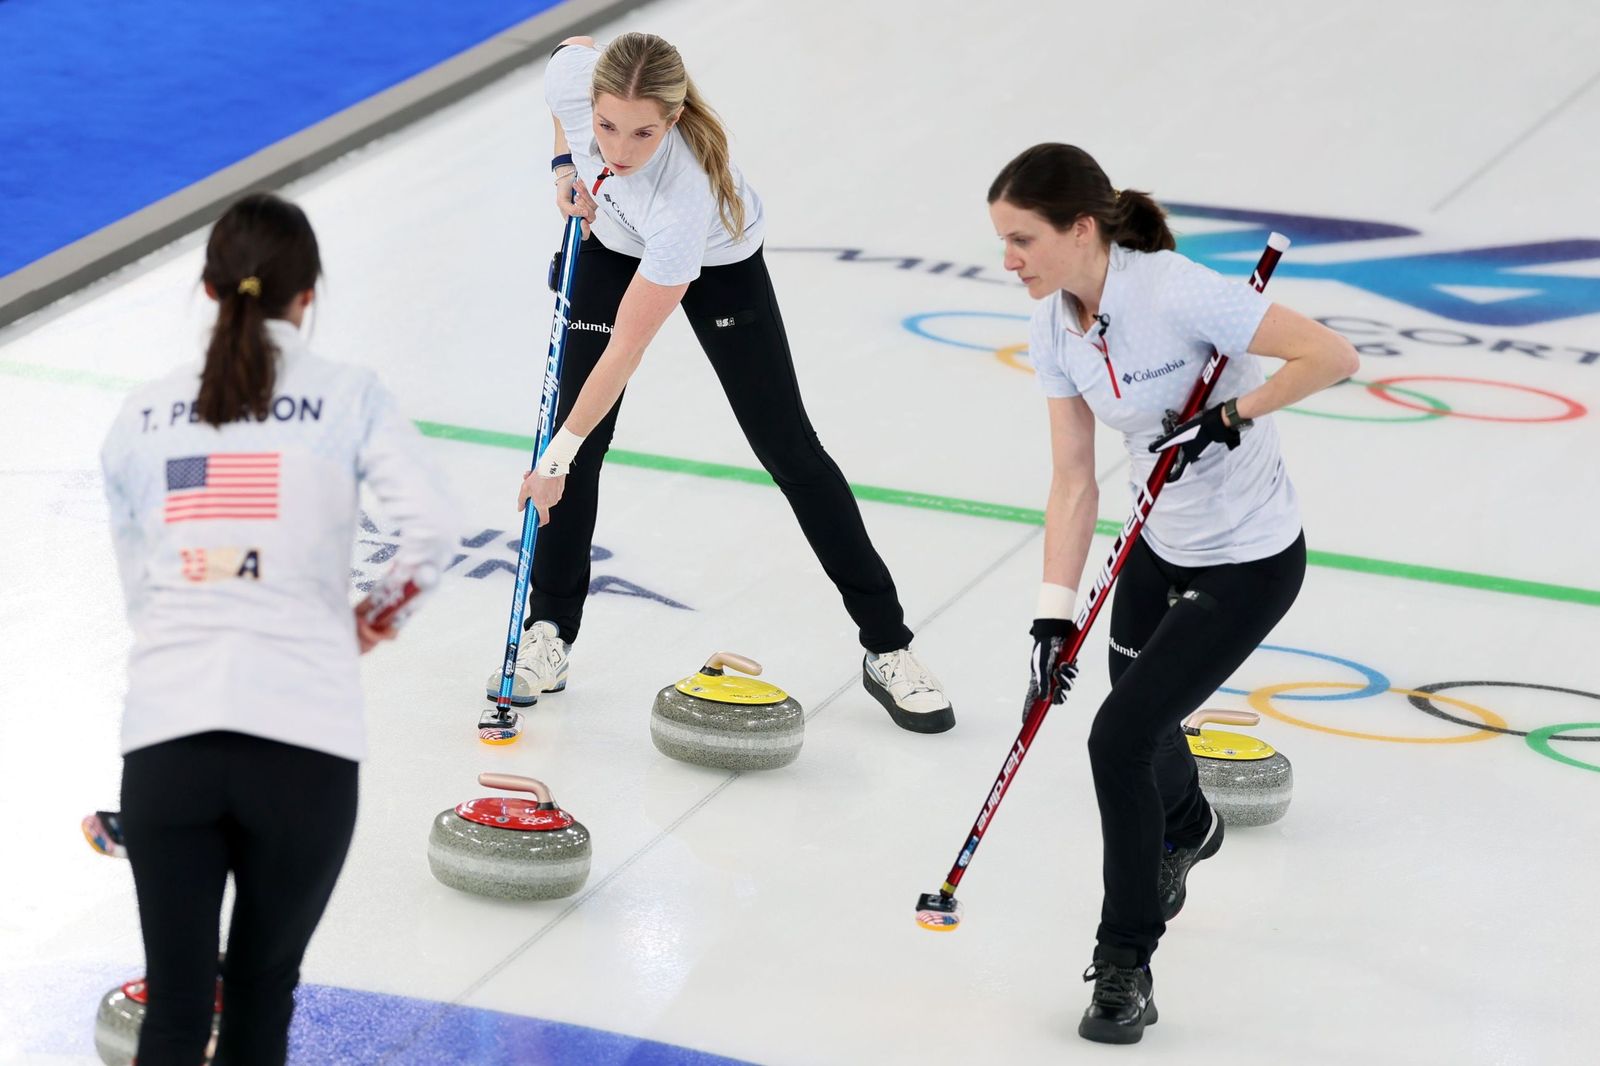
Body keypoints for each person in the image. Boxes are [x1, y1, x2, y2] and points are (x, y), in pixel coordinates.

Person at [987, 144, 1359, 1044]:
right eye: (1002, 240)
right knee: (1139, 725)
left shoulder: (1174, 291)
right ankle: (1189, 823)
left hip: (1249, 563)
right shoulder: (1055, 325)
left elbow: (1331, 356)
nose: (1009, 261)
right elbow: (1074, 478)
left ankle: (1125, 965)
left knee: (1121, 739)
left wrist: (1231, 416)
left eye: (1022, 239)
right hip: (1158, 549)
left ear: (1082, 229)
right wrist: (1052, 609)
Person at [486, 32, 953, 733]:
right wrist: (563, 165)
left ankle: (889, 646)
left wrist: (552, 459)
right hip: (611, 244)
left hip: (717, 264)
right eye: (606, 125)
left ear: (672, 121)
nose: (618, 149)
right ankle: (549, 630)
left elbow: (626, 350)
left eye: (644, 132)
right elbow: (572, 48)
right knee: (579, 448)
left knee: (789, 449)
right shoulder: (577, 90)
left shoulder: (685, 195)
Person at [101, 192, 455, 1065]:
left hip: (168, 743)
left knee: (177, 1012)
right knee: (262, 1000)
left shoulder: (139, 419)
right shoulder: (347, 396)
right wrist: (377, 616)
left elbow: (143, 587)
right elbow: (435, 529)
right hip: (304, 741)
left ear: (210, 291)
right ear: (308, 296)